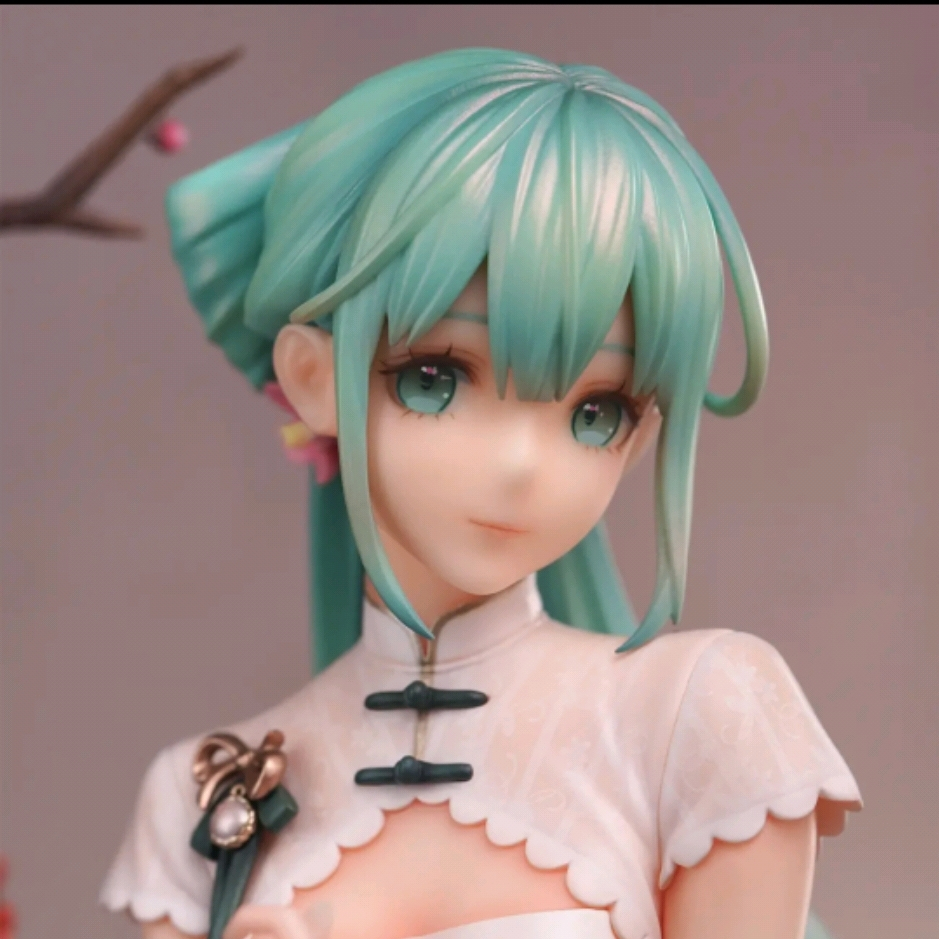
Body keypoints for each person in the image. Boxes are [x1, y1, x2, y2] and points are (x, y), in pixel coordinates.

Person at [100, 48, 861, 939]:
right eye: (434, 378)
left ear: (639, 436)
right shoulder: (198, 793)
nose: (518, 463)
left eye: (594, 413)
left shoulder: (702, 715)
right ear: (312, 379)